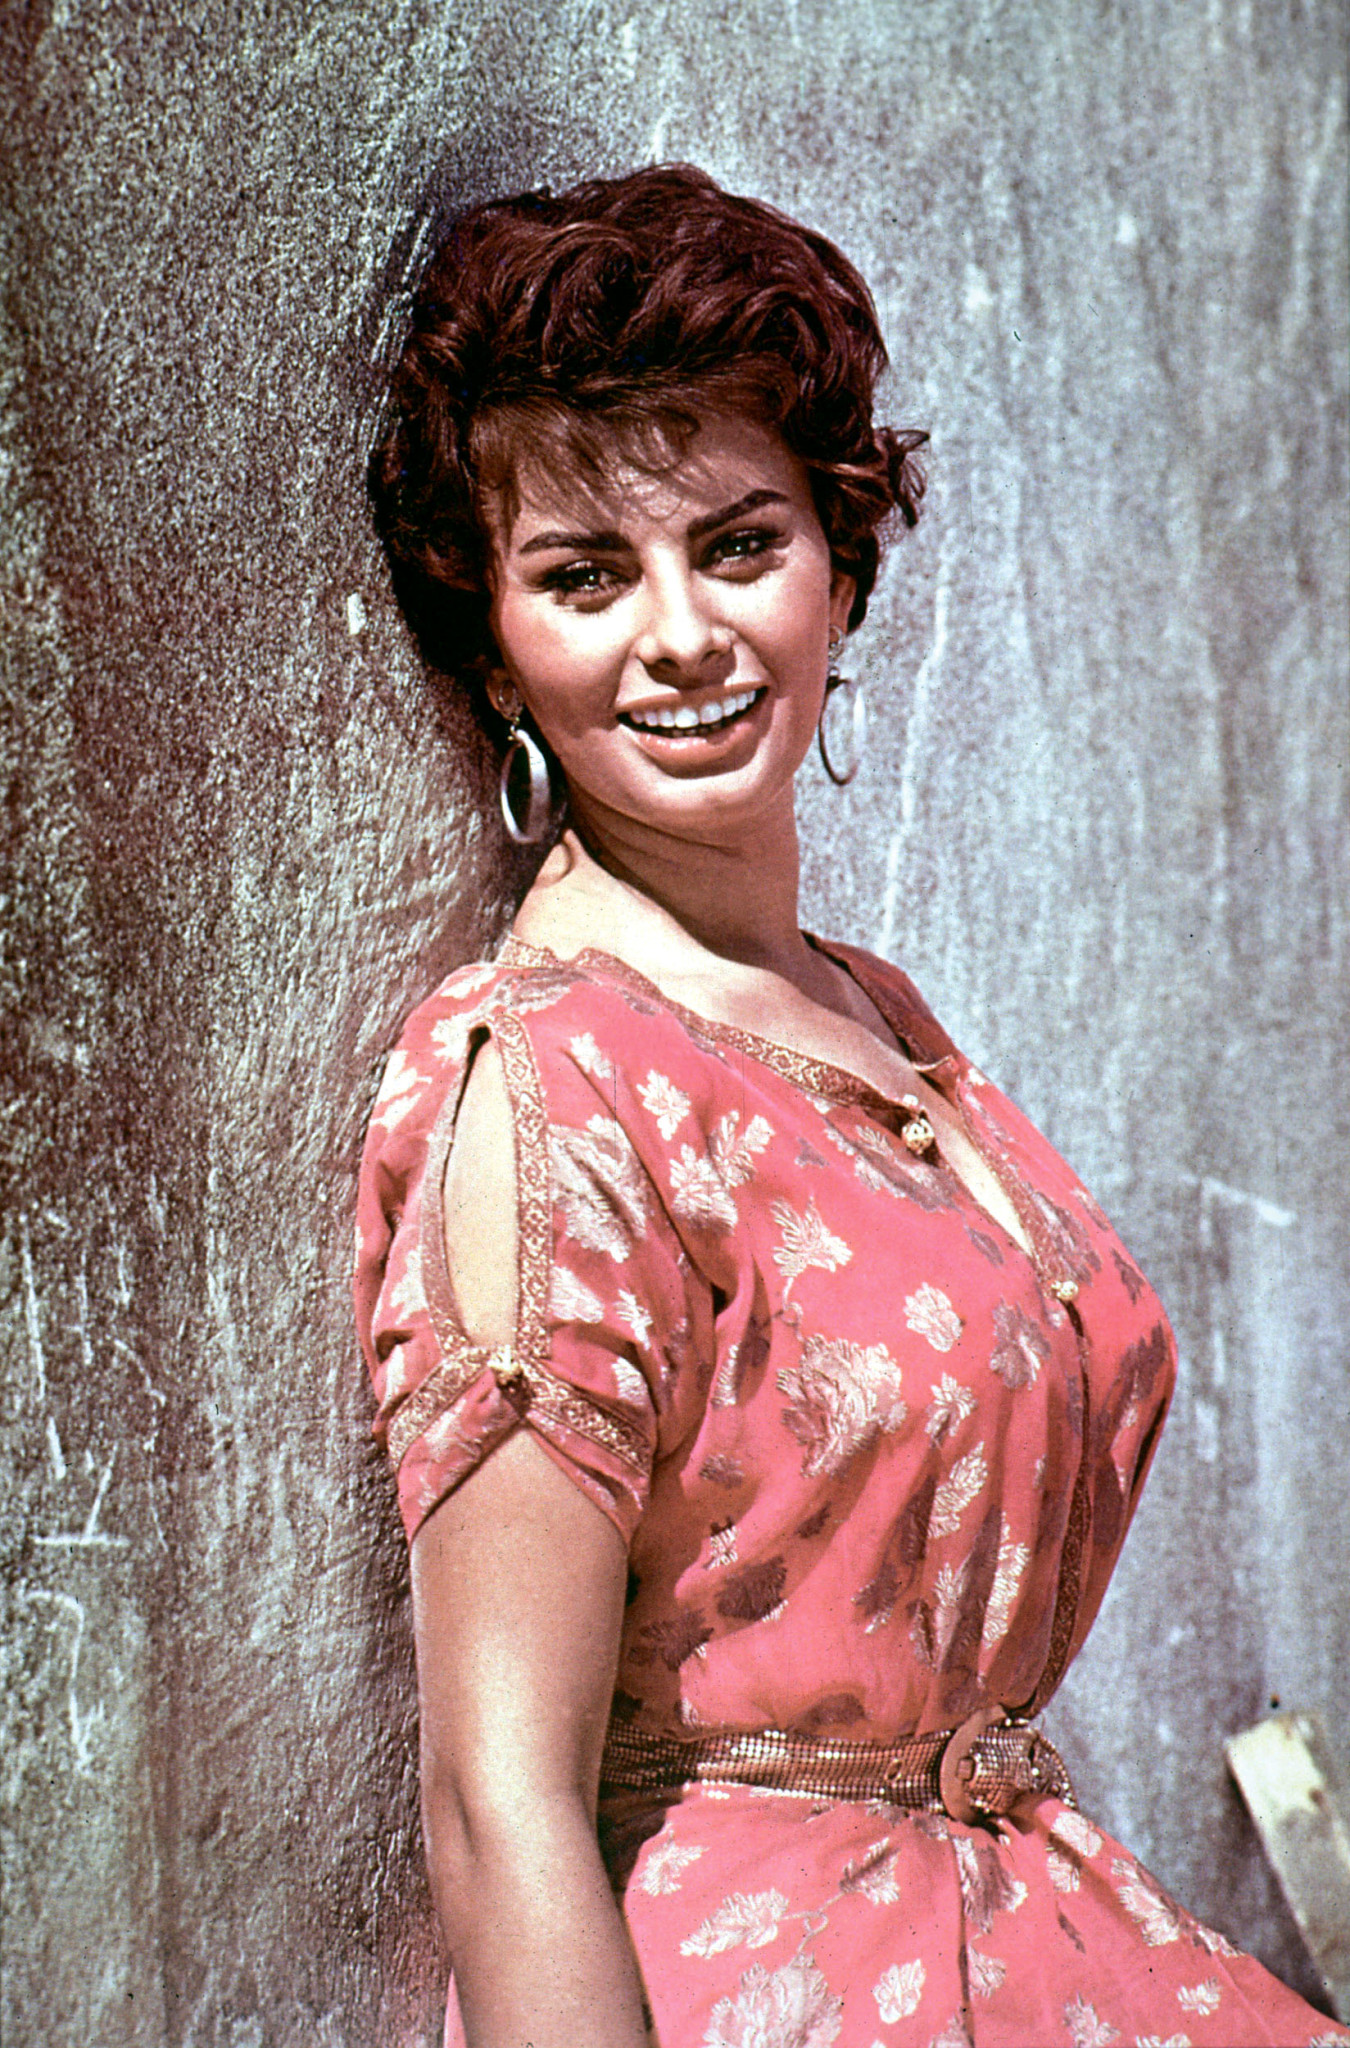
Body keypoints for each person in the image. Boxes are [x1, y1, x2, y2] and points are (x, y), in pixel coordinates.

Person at [355, 165, 1346, 2048]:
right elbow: (496, 1806)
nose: (679, 636)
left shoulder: (869, 1013)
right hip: (771, 1993)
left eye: (739, 544)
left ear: (840, 565)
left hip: (1036, 1941)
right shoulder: (549, 1085)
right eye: (583, 577)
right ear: (492, 650)